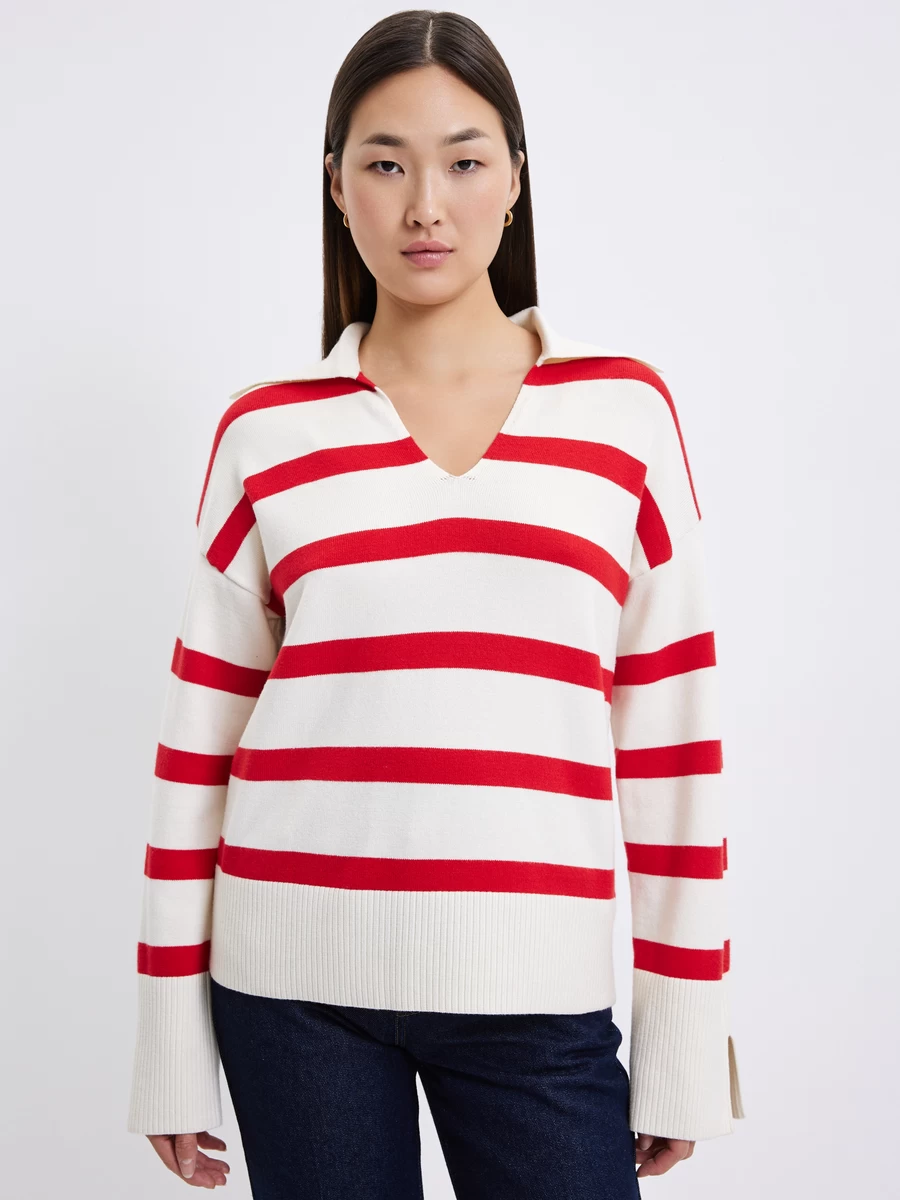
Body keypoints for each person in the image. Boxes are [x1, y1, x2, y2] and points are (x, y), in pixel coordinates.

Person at [126, 9, 744, 1196]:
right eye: (385, 165)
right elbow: (197, 747)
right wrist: (167, 1047)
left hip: (537, 989)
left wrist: (681, 1040)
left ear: (515, 179)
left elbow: (676, 748)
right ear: (335, 186)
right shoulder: (267, 433)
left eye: (464, 161)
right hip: (291, 989)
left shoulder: (622, 418)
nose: (425, 207)